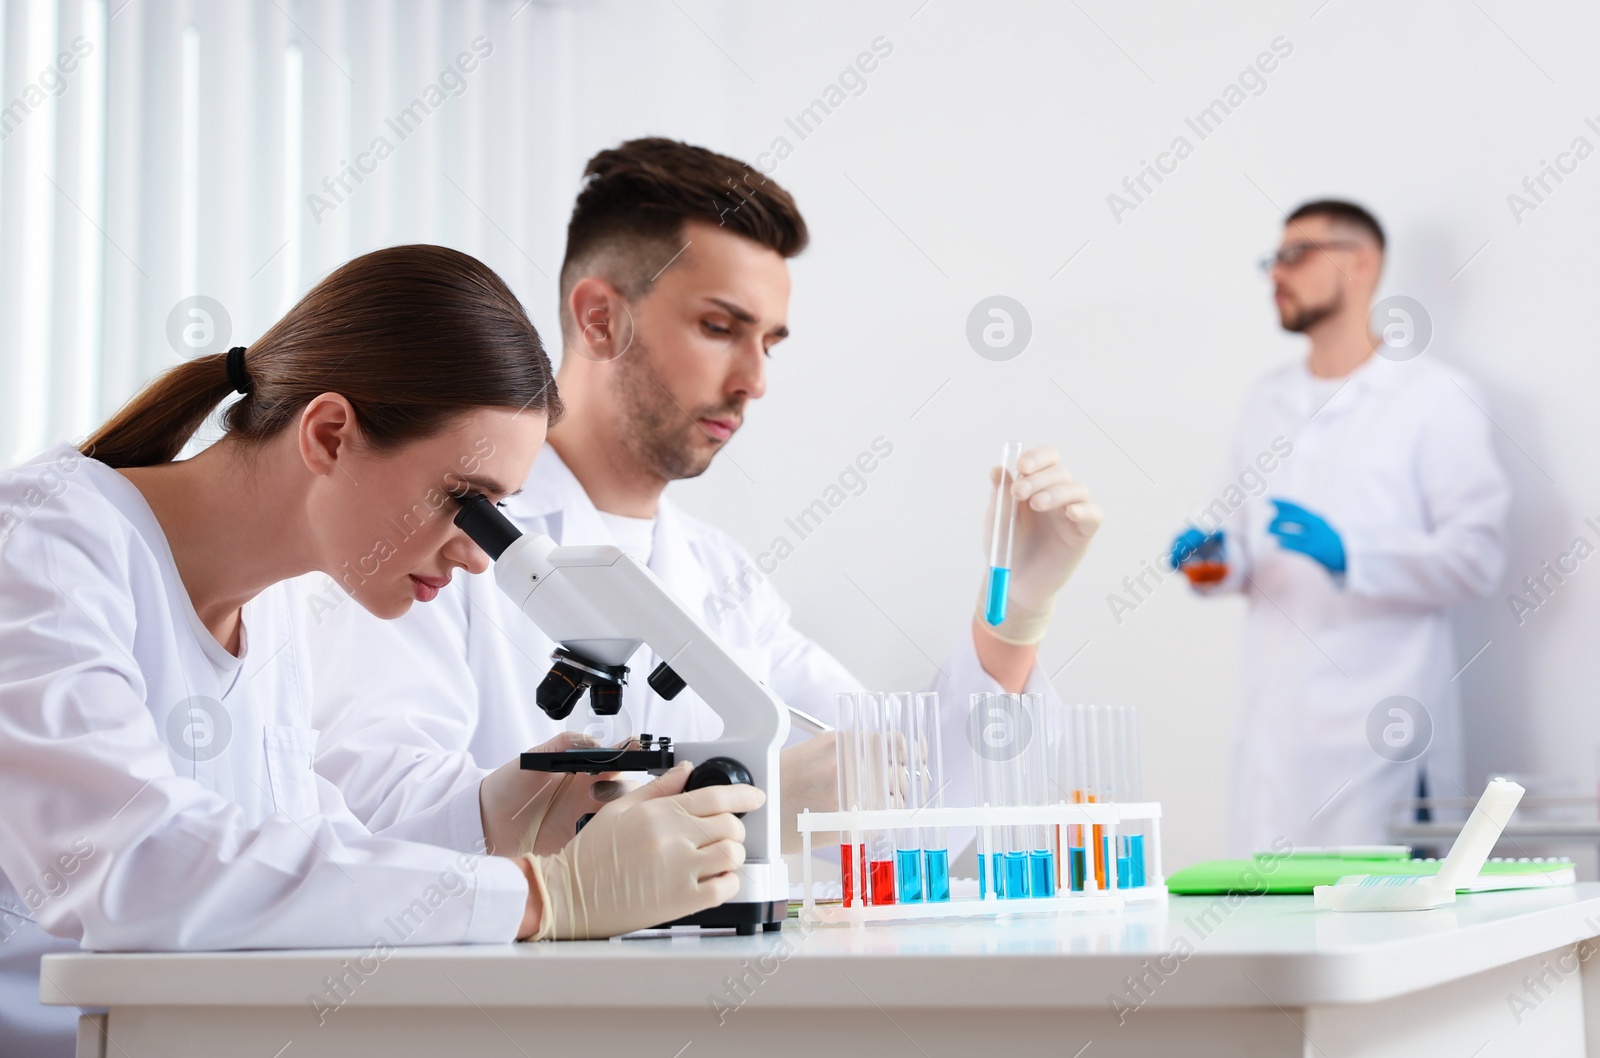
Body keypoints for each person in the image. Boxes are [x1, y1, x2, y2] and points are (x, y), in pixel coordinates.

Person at [0, 245, 759, 1057]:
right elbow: (138, 869)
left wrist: (490, 825)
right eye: (466, 504)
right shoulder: (44, 540)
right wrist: (543, 897)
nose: (477, 555)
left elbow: (291, 871)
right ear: (329, 433)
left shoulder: (275, 612)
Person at [308, 138, 1103, 852]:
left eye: (769, 343)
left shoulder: (720, 578)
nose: (753, 381)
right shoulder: (439, 541)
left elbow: (903, 792)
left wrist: (1014, 614)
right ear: (599, 320)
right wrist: (743, 806)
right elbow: (379, 807)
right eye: (721, 328)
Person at [1168, 200, 1510, 853]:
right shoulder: (1265, 399)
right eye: (1273, 259)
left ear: (1361, 264)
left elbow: (1479, 558)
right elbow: (1240, 540)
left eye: (1297, 255)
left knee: (1379, 931)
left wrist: (1351, 554)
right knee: (1272, 937)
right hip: (1275, 731)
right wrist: (1214, 559)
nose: (1277, 274)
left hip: (1383, 734)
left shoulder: (1435, 398)